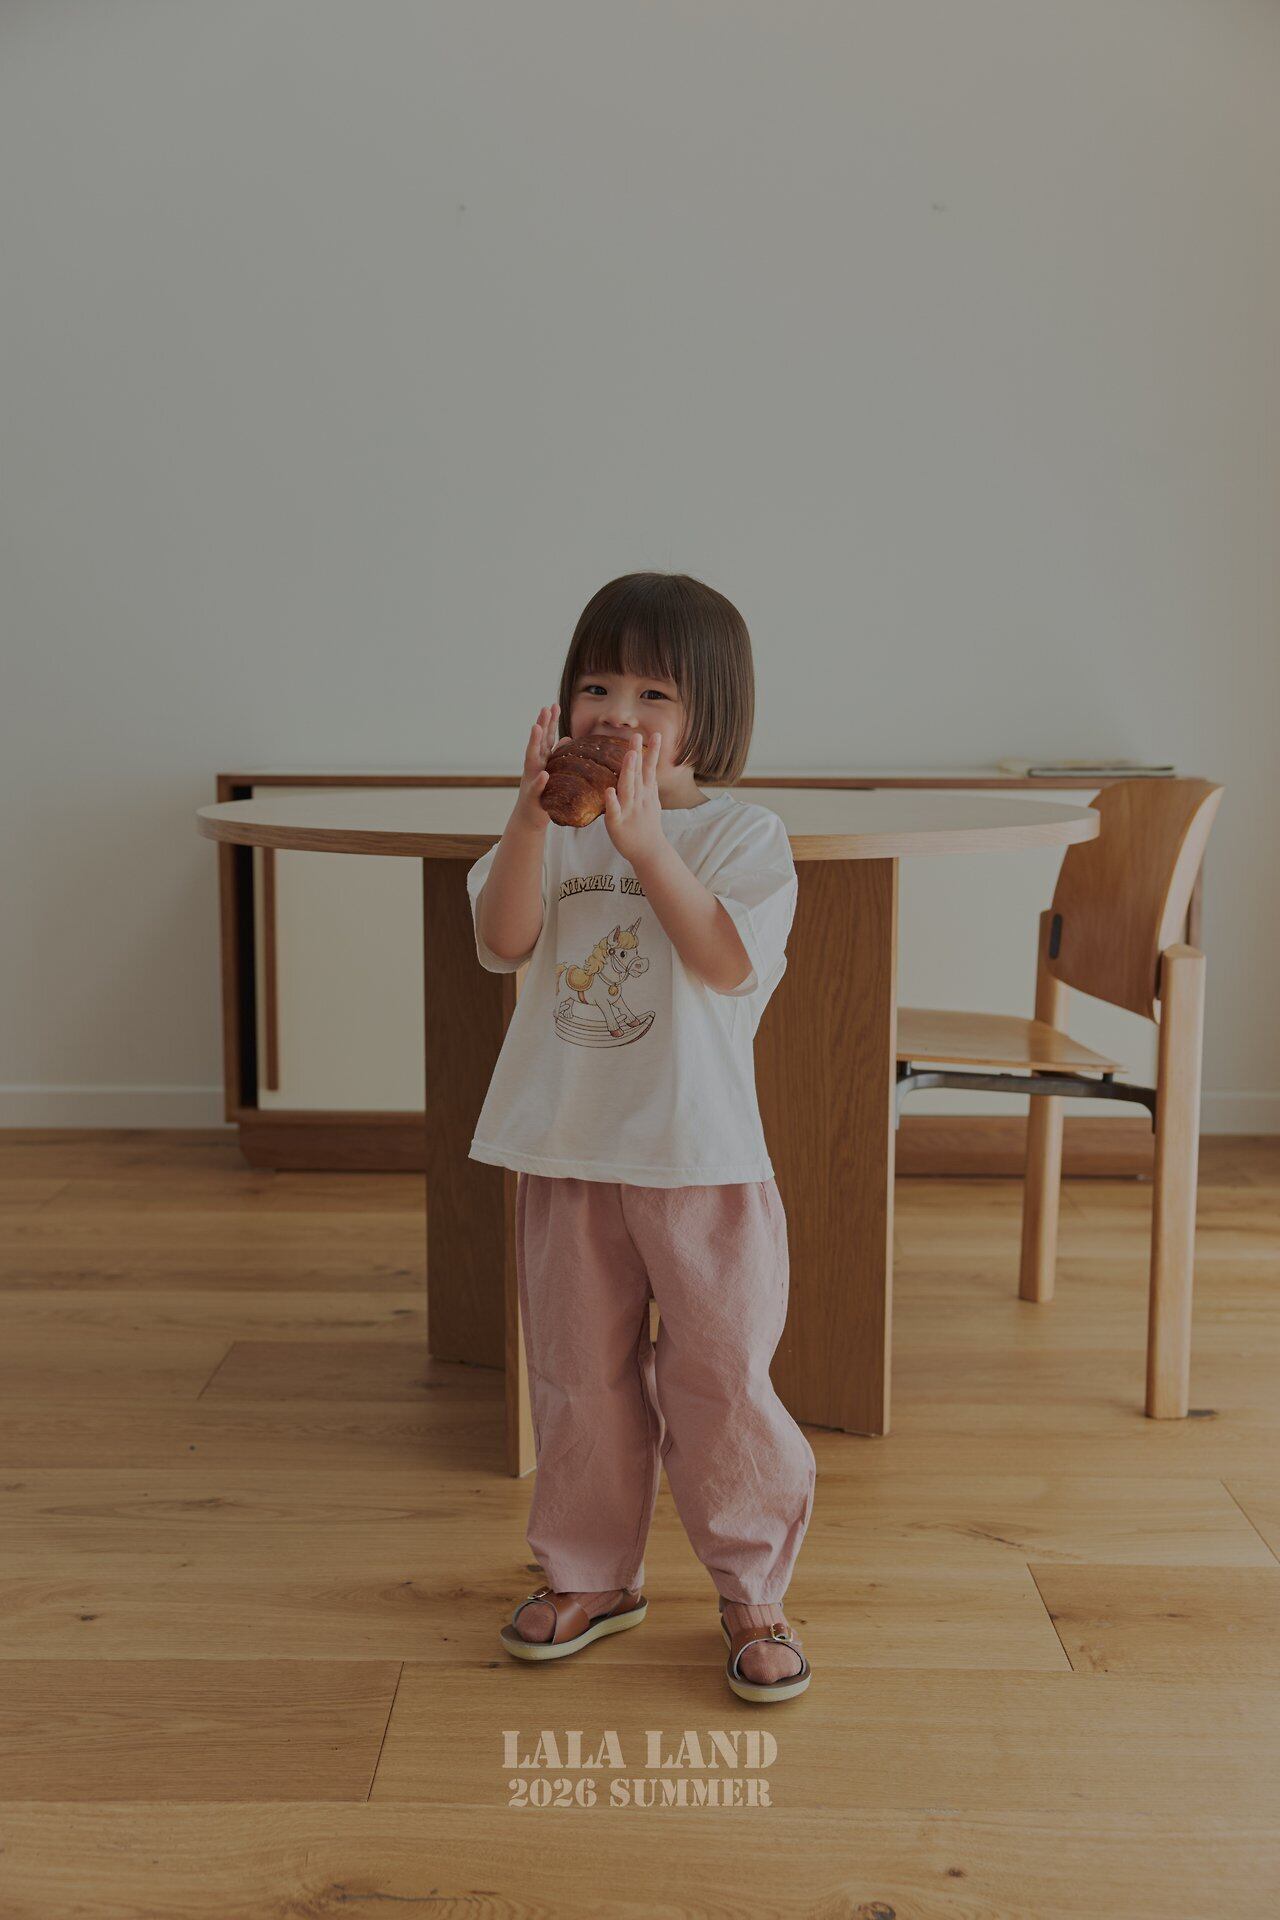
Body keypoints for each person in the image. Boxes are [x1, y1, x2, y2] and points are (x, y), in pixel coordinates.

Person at [467, 572, 816, 1703]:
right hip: (569, 1152)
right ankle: (591, 1575)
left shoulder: (741, 835)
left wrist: (649, 845)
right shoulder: (551, 831)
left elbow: (725, 961)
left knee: (723, 1380)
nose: (618, 712)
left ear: (711, 716)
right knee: (578, 1378)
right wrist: (530, 819)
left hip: (699, 1161)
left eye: (654, 693)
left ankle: (751, 1588)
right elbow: (502, 940)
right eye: (596, 686)